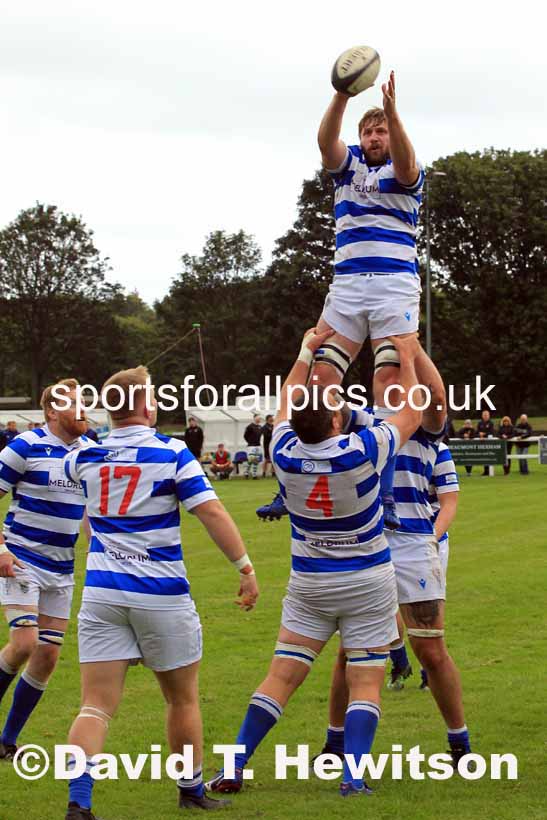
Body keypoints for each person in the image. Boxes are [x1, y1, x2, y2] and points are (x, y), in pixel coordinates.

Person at [206, 329, 423, 798]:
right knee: (365, 682)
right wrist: (406, 353)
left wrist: (306, 350)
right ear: (335, 420)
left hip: (310, 582)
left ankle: (235, 765)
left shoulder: (281, 451)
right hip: (367, 579)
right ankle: (353, 778)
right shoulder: (361, 450)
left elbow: (287, 397)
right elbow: (413, 411)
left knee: (281, 675)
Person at [62, 366, 259, 819]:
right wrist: (244, 567)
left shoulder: (83, 457)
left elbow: (89, 509)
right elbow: (210, 512)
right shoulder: (172, 453)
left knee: (95, 706)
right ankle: (190, 791)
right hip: (161, 593)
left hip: (101, 593)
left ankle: (79, 804)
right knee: (182, 698)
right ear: (147, 405)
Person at [315, 351, 471, 767]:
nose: (394, 381)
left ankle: (460, 743)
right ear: (372, 384)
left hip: (414, 545)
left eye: (402, 376)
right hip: (365, 543)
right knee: (349, 652)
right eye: (385, 375)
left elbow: (437, 396)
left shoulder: (424, 425)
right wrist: (327, 345)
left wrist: (410, 345)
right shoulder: (361, 420)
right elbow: (318, 394)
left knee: (432, 651)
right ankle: (334, 745)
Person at [312, 70, 437, 532]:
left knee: (389, 379)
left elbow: (406, 162)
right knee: (320, 377)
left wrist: (394, 113)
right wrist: (341, 96)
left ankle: (385, 492)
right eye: (368, 131)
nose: (373, 137)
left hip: (392, 286)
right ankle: (312, 474)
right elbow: (325, 142)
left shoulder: (407, 175)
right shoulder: (348, 169)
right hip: (346, 286)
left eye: (379, 130)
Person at [0, 379, 91, 760]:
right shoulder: (23, 447)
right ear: (52, 412)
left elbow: (91, 512)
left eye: (85, 402)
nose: (83, 409)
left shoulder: (91, 452)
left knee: (48, 657)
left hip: (62, 568)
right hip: (22, 560)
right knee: (24, 643)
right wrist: (0, 549)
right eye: (74, 403)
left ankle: (6, 740)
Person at [476, 409, 495, 476]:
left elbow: (492, 432)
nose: (485, 416)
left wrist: (484, 434)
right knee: (484, 456)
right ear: (482, 416)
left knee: (489, 456)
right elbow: (476, 432)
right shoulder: (480, 423)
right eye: (484, 415)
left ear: (489, 416)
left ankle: (490, 471)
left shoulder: (491, 423)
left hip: (489, 443)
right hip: (482, 443)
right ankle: (486, 471)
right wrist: (479, 435)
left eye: (486, 415)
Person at [243, 414, 262, 479]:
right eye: (258, 418)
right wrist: (250, 442)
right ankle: (246, 472)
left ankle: (254, 475)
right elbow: (245, 436)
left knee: (256, 460)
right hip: (251, 446)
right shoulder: (250, 426)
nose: (259, 419)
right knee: (251, 459)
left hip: (258, 445)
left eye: (260, 418)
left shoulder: (260, 427)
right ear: (255, 418)